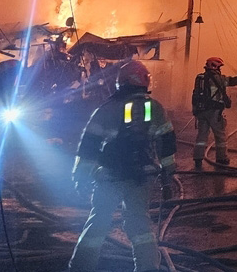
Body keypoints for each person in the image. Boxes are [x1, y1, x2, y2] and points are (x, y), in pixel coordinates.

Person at [69, 60, 177, 272]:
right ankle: (148, 268)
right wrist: (167, 178)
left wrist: (80, 177)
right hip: (141, 178)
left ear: (122, 81)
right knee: (141, 225)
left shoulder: (108, 109)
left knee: (98, 222)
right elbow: (167, 144)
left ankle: (81, 267)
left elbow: (89, 146)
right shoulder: (155, 108)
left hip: (110, 176)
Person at [191, 56, 237, 169]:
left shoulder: (199, 78)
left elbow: (195, 94)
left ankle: (198, 158)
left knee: (201, 136)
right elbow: (234, 81)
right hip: (214, 111)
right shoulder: (218, 78)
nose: (220, 69)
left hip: (201, 111)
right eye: (219, 67)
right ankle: (221, 158)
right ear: (215, 66)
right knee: (220, 136)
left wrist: (195, 110)